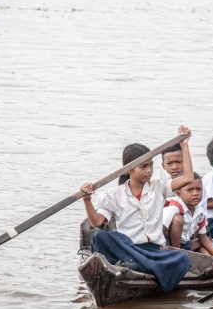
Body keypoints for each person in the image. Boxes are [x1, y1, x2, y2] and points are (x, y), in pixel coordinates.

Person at [80, 126, 194, 294]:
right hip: (129, 249)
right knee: (100, 236)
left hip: (153, 251)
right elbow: (97, 222)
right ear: (130, 169)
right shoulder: (115, 195)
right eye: (143, 167)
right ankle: (144, 267)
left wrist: (184, 144)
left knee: (182, 258)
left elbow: (188, 178)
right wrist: (87, 200)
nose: (149, 171)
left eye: (151, 165)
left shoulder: (158, 187)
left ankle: (137, 266)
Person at [163, 172, 213, 256]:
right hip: (166, 243)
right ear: (179, 194)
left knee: (204, 246)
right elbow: (160, 228)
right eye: (190, 190)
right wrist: (161, 244)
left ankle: (212, 260)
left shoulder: (200, 212)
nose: (195, 193)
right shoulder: (174, 207)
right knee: (178, 219)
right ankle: (176, 254)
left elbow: (203, 237)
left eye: (199, 189)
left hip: (184, 243)